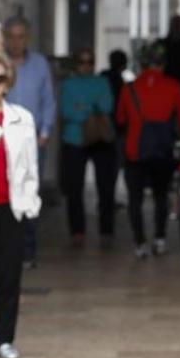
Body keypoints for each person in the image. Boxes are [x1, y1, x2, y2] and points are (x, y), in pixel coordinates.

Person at [0, 51, 42, 358]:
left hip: (9, 207)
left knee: (8, 275)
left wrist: (31, 200)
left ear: (8, 83)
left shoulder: (22, 117)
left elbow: (30, 165)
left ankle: (4, 338)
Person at [116, 41, 180, 258]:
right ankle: (160, 239)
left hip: (135, 150)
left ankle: (140, 243)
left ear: (142, 63)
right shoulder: (175, 87)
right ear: (163, 63)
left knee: (134, 199)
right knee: (161, 195)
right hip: (163, 150)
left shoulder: (129, 89)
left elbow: (120, 119)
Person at [3, 16, 56, 269]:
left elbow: (48, 99)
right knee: (6, 192)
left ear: (28, 37)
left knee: (29, 191)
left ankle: (28, 249)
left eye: (20, 36)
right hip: (3, 136)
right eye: (11, 36)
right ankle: (9, 248)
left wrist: (45, 132)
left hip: (33, 139)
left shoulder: (39, 64)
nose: (16, 41)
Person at [59, 48, 118, 247]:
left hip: (101, 139)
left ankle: (107, 229)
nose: (86, 66)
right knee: (74, 188)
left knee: (106, 187)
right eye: (82, 62)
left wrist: (81, 107)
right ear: (76, 64)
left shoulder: (102, 82)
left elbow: (107, 106)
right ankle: (77, 230)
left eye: (90, 62)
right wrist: (90, 108)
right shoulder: (68, 84)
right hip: (74, 141)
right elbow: (67, 111)